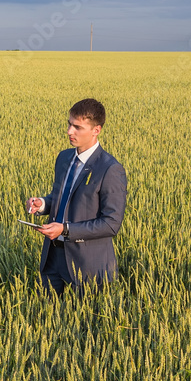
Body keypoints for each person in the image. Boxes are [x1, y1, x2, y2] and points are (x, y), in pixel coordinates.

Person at [25, 98, 127, 296]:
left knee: (84, 324)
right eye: (69, 124)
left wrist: (66, 230)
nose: (69, 131)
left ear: (96, 130)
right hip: (53, 257)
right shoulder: (64, 157)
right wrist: (43, 204)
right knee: (50, 317)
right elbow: (62, 197)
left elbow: (111, 224)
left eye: (77, 127)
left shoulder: (110, 169)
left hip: (87, 265)